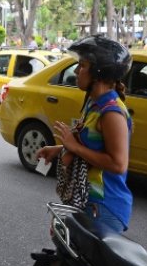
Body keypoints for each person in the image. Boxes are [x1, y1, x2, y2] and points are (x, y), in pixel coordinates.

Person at [36, 35, 133, 233]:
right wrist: (58, 149)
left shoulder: (111, 113)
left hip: (104, 206)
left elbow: (118, 164)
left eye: (82, 65)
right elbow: (91, 145)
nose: (77, 71)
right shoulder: (94, 104)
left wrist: (74, 146)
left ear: (98, 72)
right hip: (87, 200)